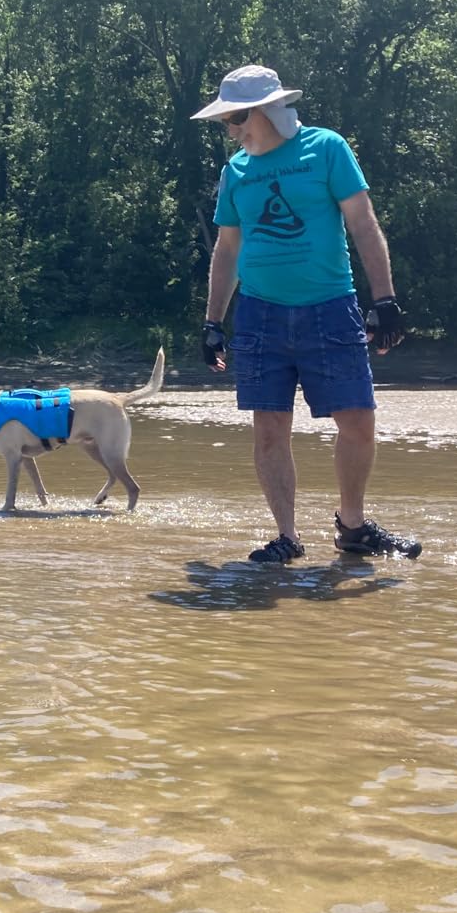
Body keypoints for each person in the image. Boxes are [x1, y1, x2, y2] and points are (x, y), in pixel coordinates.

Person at [191, 65, 421, 563]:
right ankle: (287, 536)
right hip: (258, 316)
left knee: (357, 421)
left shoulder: (327, 148)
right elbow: (228, 250)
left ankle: (354, 527)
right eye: (226, 123)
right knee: (269, 428)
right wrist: (213, 322)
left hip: (330, 308)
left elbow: (363, 221)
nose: (231, 132)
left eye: (236, 119)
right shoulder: (236, 172)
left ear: (267, 110)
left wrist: (384, 299)